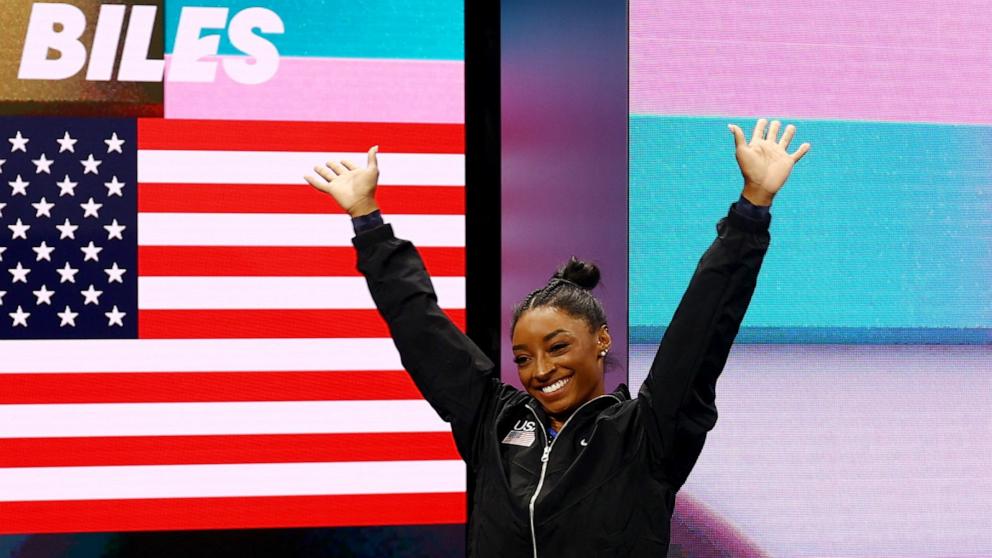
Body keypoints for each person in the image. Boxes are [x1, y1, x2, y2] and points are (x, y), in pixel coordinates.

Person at [305, 119, 810, 557]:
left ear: (602, 340)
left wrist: (752, 210)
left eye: (559, 347)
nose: (540, 370)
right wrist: (367, 221)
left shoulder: (646, 434)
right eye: (523, 357)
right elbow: (420, 326)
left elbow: (701, 331)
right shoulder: (491, 420)